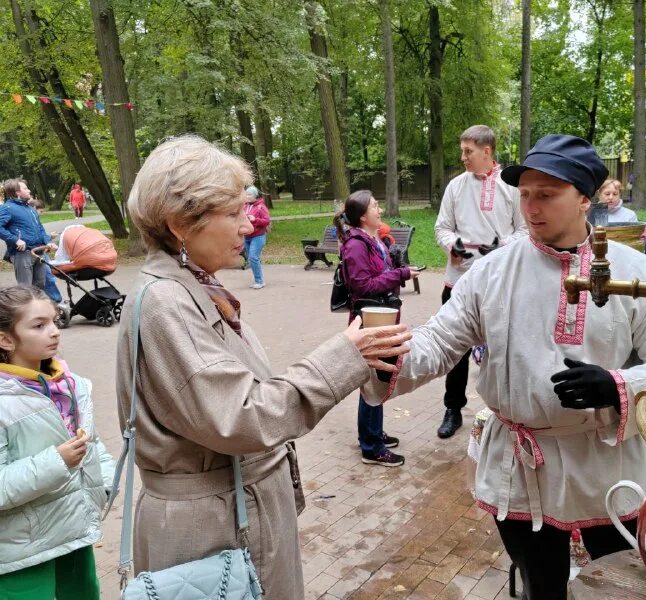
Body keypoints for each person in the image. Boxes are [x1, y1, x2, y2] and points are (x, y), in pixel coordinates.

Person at [361, 134, 646, 600]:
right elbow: (439, 338)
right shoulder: (494, 271)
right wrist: (392, 357)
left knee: (625, 585)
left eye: (546, 195)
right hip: (522, 465)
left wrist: (619, 386)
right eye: (525, 194)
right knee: (541, 587)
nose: (531, 207)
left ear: (584, 200)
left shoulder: (635, 272)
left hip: (607, 464)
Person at [117, 134, 411, 600]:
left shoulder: (196, 289)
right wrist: (343, 357)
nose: (249, 225)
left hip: (231, 512)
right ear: (180, 224)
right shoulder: (167, 303)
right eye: (233, 213)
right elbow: (243, 416)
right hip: (215, 530)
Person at [0, 285, 115, 599]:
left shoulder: (70, 386)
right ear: (5, 339)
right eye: (38, 325)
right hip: (21, 554)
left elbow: (93, 444)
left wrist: (105, 483)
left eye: (54, 320)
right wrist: (57, 462)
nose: (54, 331)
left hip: (73, 537)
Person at [433, 124, 528, 438]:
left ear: (487, 151)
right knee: (455, 348)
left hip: (500, 278)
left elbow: (524, 230)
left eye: (468, 151)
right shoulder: (456, 186)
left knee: (503, 344)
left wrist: (500, 248)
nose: (463, 157)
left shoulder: (512, 187)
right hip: (459, 277)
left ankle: (506, 408)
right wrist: (453, 244)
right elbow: (442, 227)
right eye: (462, 151)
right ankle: (452, 407)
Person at [334, 190, 420, 467]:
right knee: (372, 378)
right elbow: (362, 286)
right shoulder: (356, 244)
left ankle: (373, 433)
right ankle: (371, 446)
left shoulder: (373, 238)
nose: (380, 209)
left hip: (383, 317)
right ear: (362, 215)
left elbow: (379, 274)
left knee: (378, 377)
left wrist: (395, 261)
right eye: (375, 206)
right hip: (370, 320)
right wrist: (401, 274)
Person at [0, 179, 54, 289]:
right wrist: (15, 240)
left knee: (39, 286)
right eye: (25, 188)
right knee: (26, 289)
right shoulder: (7, 208)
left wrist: (48, 242)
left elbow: (40, 228)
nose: (29, 190)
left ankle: (38, 307)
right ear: (17, 192)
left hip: (39, 252)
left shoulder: (30, 208)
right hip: (22, 254)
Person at [27, 198, 64, 305]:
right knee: (47, 277)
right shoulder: (28, 220)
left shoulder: (36, 220)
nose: (42, 214)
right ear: (34, 208)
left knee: (46, 278)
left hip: (41, 251)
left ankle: (51, 300)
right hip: (34, 252)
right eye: (41, 211)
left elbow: (41, 235)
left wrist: (49, 238)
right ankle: (54, 300)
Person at [244, 185, 271, 289]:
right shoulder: (245, 206)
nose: (247, 196)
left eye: (249, 194)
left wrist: (255, 219)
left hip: (258, 236)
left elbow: (266, 221)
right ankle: (258, 279)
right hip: (247, 236)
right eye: (246, 194)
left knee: (253, 258)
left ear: (255, 195)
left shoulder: (261, 206)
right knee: (252, 259)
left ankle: (259, 281)